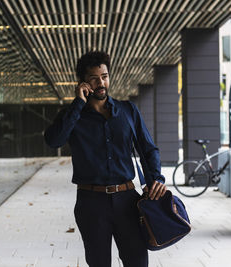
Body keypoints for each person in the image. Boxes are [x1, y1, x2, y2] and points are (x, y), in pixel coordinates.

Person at [44, 51, 167, 267]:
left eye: (104, 76)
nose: (101, 82)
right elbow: (54, 141)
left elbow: (148, 149)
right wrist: (77, 104)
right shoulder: (72, 115)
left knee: (138, 262)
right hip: (91, 203)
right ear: (83, 82)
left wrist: (156, 179)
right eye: (94, 78)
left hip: (128, 200)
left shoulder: (128, 110)